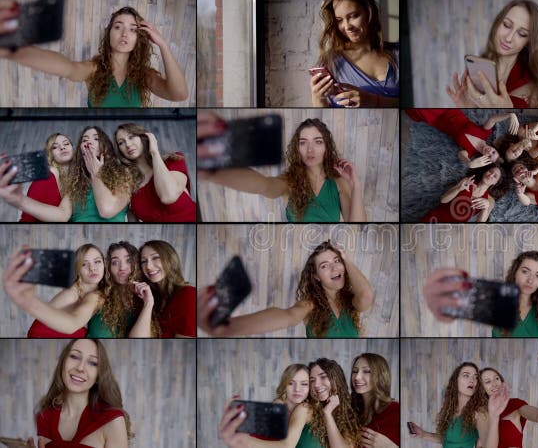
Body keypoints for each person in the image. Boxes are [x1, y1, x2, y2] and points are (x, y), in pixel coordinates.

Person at [0, 6, 188, 107]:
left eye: (132, 30)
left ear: (140, 38)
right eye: (118, 26)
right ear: (109, 34)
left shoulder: (145, 76)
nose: (124, 33)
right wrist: (12, 50)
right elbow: (69, 68)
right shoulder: (94, 69)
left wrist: (162, 43)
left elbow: (179, 94)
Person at [199, 118, 366, 222]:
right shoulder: (289, 181)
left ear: (326, 147)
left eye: (318, 142)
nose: (310, 149)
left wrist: (356, 185)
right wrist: (212, 171)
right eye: (303, 142)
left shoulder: (339, 183)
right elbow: (263, 185)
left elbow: (356, 227)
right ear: (297, 148)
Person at [198, 241, 374, 338]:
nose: (335, 268)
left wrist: (345, 257)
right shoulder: (309, 305)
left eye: (337, 261)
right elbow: (287, 316)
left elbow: (366, 295)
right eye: (324, 266)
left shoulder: (352, 301)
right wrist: (229, 329)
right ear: (316, 277)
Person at [0, 127, 135, 222]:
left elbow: (106, 210)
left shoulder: (124, 174)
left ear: (105, 147)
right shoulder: (76, 185)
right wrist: (19, 200)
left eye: (96, 138)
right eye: (84, 139)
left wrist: (96, 173)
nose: (88, 142)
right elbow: (62, 215)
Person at [447, 0, 538, 108]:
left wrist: (506, 112)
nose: (508, 38)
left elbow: (528, 127)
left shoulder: (535, 85)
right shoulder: (477, 70)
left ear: (529, 41)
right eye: (507, 25)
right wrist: (466, 109)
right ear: (497, 23)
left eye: (522, 34)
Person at [31, 339, 132, 447]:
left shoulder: (113, 421)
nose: (80, 368)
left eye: (93, 363)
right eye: (74, 356)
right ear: (62, 362)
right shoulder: (45, 416)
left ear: (99, 375)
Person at [3, 244, 106, 338]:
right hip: (44, 332)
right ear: (78, 269)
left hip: (56, 326)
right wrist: (29, 302)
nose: (92, 268)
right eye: (84, 264)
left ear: (104, 264)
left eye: (97, 262)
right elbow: (72, 325)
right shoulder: (74, 292)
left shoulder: (97, 288)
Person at [310, 0, 399, 108]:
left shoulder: (397, 53)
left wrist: (373, 101)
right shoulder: (331, 61)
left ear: (369, 12)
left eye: (353, 16)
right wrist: (317, 97)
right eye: (339, 20)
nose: (347, 27)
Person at [218, 364, 320, 447]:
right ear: (284, 385)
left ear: (309, 388)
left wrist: (245, 441)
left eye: (304, 384)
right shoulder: (272, 411)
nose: (297, 389)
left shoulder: (306, 409)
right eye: (291, 383)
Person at [114, 123, 197, 221]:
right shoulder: (127, 184)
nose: (127, 144)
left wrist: (154, 152)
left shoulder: (173, 160)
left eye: (131, 137)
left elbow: (168, 196)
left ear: (144, 137)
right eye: (121, 143)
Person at [88, 241, 158, 338]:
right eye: (115, 262)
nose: (122, 267)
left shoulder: (149, 297)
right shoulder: (98, 296)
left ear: (137, 265)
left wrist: (148, 303)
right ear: (108, 268)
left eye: (128, 261)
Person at [407, 362, 480, 447]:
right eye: (466, 375)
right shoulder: (450, 410)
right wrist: (423, 434)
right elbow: (447, 439)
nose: (472, 380)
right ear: (455, 381)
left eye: (476, 377)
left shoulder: (478, 412)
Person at [139, 240, 196, 337]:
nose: (148, 266)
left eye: (155, 258)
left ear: (170, 259)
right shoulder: (151, 297)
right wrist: (148, 303)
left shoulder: (188, 294)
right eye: (144, 261)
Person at [19, 133, 74, 222]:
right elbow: (27, 218)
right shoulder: (47, 176)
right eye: (55, 147)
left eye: (66, 144)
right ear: (50, 154)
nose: (62, 147)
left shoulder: (73, 177)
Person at [419, 166, 505, 223]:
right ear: (485, 172)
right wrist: (458, 188)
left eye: (495, 176)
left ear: (496, 182)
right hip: (435, 217)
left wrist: (486, 208)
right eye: (490, 171)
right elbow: (443, 200)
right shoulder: (467, 181)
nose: (491, 175)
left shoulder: (489, 200)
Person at [351, 353, 399, 448]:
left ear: (380, 375)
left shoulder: (395, 410)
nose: (357, 377)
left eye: (366, 371)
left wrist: (389, 446)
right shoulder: (351, 409)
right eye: (355, 371)